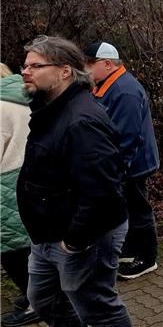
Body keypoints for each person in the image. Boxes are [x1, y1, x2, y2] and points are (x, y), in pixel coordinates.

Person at [18, 35, 132, 326]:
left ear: (65, 71)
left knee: (97, 308)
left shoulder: (81, 119)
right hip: (46, 234)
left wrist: (74, 242)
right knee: (43, 298)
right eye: (25, 65)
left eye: (35, 66)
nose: (25, 71)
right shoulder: (49, 110)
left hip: (80, 236)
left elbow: (103, 192)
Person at [84, 41, 159, 280]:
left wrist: (116, 171)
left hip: (133, 165)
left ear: (107, 64)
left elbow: (127, 137)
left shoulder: (124, 90)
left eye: (89, 63)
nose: (85, 68)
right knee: (127, 207)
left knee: (138, 209)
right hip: (122, 164)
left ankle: (147, 258)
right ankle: (131, 249)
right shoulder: (107, 84)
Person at [0, 66, 42, 327]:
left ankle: (34, 303)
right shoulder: (26, 96)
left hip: (6, 181)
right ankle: (37, 295)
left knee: (11, 246)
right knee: (27, 243)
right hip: (29, 173)